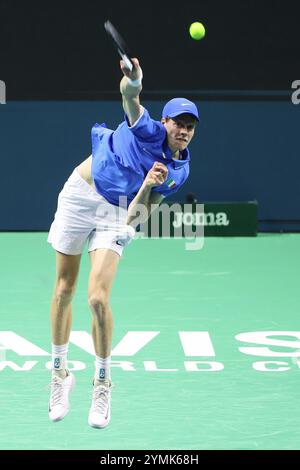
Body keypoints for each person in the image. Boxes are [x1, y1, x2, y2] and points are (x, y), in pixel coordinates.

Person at [47, 58, 199, 429]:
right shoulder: (147, 130)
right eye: (179, 122)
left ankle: (102, 382)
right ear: (165, 122)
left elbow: (140, 215)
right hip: (80, 195)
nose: (184, 130)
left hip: (120, 212)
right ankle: (59, 374)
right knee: (64, 288)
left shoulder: (177, 172)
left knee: (97, 298)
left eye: (190, 126)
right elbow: (130, 98)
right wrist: (135, 80)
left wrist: (148, 186)